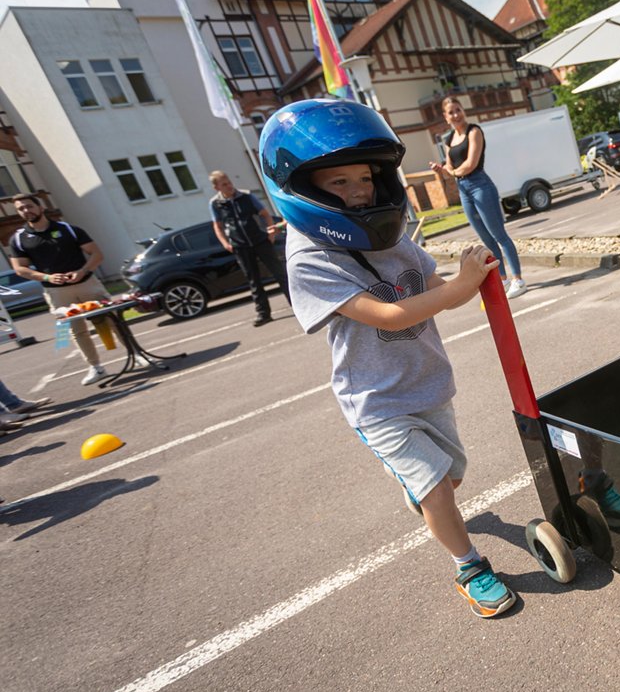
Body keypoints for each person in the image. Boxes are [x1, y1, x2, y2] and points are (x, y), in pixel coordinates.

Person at [262, 98, 517, 619]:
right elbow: (389, 315)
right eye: (339, 182)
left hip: (429, 385)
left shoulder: (393, 236)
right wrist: (459, 287)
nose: (359, 190)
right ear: (302, 186)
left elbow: (441, 290)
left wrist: (472, 276)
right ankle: (469, 567)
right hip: (378, 403)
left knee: (450, 479)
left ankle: (423, 492)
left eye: (365, 178)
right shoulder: (309, 257)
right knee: (438, 492)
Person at [7, 194, 116, 384]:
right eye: (21, 209)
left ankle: (135, 354)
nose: (26, 211)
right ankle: (96, 367)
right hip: (56, 292)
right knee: (76, 330)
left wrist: (82, 271)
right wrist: (47, 277)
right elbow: (20, 269)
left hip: (87, 284)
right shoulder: (18, 238)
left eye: (29, 206)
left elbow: (96, 254)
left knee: (111, 320)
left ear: (40, 208)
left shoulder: (68, 229)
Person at [430, 96, 525, 299]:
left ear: (463, 110)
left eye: (458, 109)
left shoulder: (474, 131)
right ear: (446, 117)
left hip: (480, 185)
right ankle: (502, 279)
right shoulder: (449, 140)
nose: (456, 115)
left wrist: (450, 172)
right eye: (451, 112)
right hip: (463, 189)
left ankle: (518, 279)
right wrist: (443, 170)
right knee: (486, 239)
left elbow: (470, 164)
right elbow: (449, 167)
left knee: (499, 235)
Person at [209, 170, 291, 327]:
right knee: (254, 280)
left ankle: (296, 304)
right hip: (240, 246)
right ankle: (263, 313)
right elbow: (217, 226)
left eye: (229, 182)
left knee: (280, 273)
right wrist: (225, 243)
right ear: (217, 187)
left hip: (260, 240)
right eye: (224, 184)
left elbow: (265, 214)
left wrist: (270, 233)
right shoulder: (215, 204)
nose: (229, 186)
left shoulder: (246, 196)